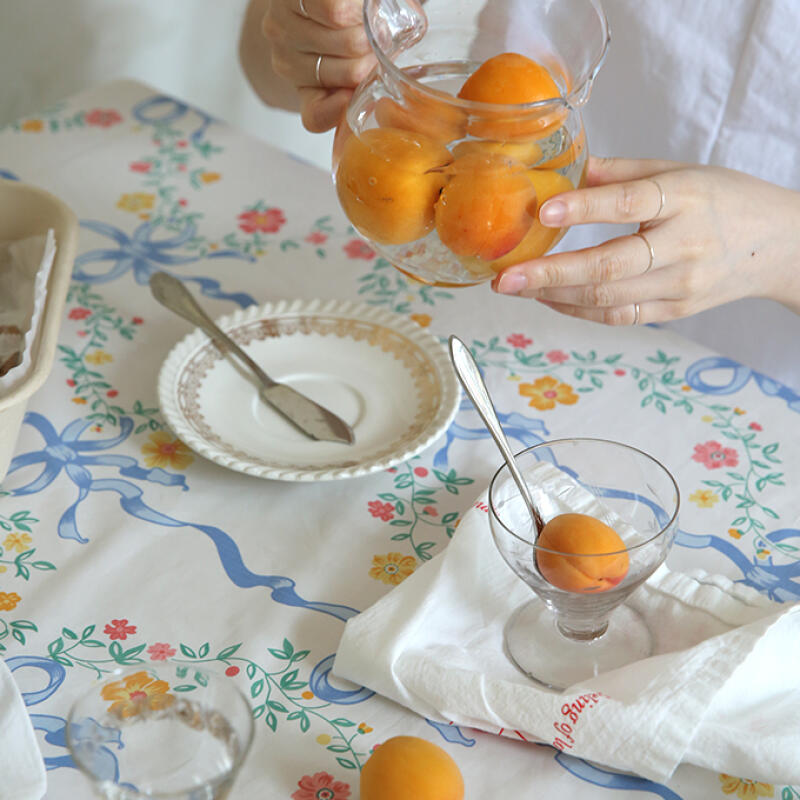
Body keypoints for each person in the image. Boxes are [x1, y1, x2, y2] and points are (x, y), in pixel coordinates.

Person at [239, 0, 800, 390]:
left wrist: (775, 246)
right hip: (452, 322)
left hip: (759, 396)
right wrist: (319, 40)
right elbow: (264, 62)